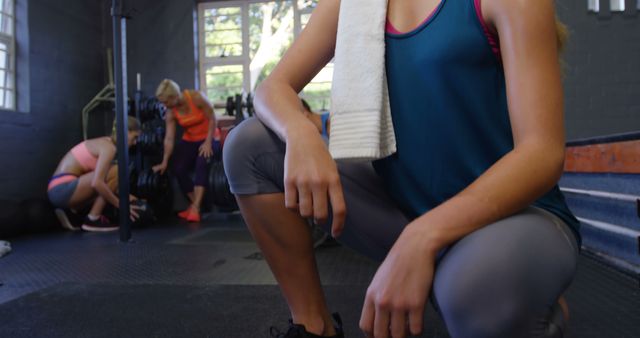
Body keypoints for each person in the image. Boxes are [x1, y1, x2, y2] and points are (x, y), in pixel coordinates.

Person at [223, 0, 580, 337]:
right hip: (405, 210)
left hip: (514, 217)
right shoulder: (353, 5)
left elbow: (542, 153)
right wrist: (300, 132)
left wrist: (422, 236)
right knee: (250, 147)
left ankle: (522, 299)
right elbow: (272, 88)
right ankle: (314, 327)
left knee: (475, 293)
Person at [48, 116, 141, 232]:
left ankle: (72, 212)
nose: (135, 142)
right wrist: (121, 205)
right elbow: (97, 183)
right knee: (118, 170)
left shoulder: (105, 143)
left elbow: (110, 185)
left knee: (110, 178)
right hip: (61, 189)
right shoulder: (109, 148)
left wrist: (129, 198)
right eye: (135, 137)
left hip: (59, 188)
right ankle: (93, 219)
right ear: (126, 132)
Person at [154, 79, 220, 222]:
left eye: (166, 102)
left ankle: (195, 208)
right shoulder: (171, 111)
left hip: (210, 137)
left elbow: (213, 118)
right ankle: (196, 205)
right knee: (177, 167)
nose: (164, 106)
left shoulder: (196, 97)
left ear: (174, 97)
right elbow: (169, 138)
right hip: (190, 140)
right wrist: (164, 161)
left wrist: (208, 142)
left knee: (201, 162)